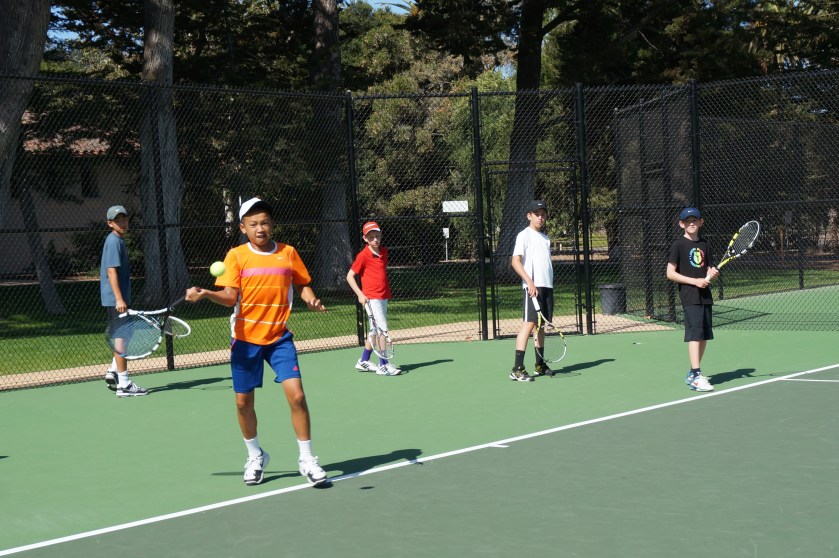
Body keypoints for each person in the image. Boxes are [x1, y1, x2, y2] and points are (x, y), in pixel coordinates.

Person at [184, 197, 329, 486]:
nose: (260, 228)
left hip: (279, 339)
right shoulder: (236, 256)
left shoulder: (288, 252)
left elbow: (302, 283)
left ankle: (307, 459)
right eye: (253, 224)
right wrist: (207, 294)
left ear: (272, 225)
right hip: (245, 340)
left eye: (264, 223)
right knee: (243, 403)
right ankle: (255, 456)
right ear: (243, 228)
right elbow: (230, 298)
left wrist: (310, 298)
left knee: (297, 396)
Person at [666, 207, 720, 392]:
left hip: (705, 295)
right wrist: (694, 281)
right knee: (695, 333)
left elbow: (708, 268)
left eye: (694, 220)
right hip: (689, 296)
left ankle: (692, 372)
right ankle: (697, 375)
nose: (691, 223)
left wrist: (711, 274)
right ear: (681, 224)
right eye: (687, 221)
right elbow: (670, 273)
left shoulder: (705, 244)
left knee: (704, 335)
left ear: (701, 222)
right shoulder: (678, 245)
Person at [101, 205, 148, 397]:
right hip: (116, 299)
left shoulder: (117, 240)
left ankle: (113, 371)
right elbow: (111, 271)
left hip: (118, 298)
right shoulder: (114, 241)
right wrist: (119, 299)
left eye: (124, 219)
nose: (122, 223)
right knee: (121, 338)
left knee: (126, 334)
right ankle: (124, 384)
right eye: (118, 221)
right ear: (110, 223)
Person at [346, 221, 402, 376]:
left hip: (383, 296)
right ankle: (383, 365)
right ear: (365, 239)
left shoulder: (384, 252)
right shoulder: (363, 256)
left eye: (377, 236)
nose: (375, 239)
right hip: (371, 298)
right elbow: (350, 276)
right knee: (382, 330)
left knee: (374, 330)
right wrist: (360, 294)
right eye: (371, 237)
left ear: (381, 235)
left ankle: (363, 361)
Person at [509, 200, 555, 382]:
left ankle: (540, 364)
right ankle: (517, 369)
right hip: (532, 288)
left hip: (547, 287)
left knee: (541, 326)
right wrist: (529, 282)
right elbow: (515, 261)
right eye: (537, 214)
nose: (540, 218)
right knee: (528, 324)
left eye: (543, 215)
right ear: (529, 216)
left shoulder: (545, 238)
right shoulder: (524, 235)